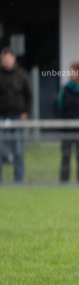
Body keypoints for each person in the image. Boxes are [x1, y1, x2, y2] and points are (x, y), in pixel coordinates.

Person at [0, 47, 32, 183]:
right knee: (1, 148)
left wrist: (26, 112)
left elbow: (28, 95)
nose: (5, 61)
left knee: (18, 148)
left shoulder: (22, 75)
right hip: (1, 117)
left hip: (17, 117)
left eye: (7, 59)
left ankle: (18, 180)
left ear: (13, 59)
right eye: (3, 59)